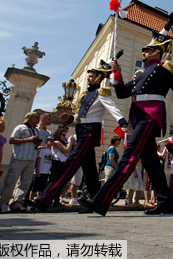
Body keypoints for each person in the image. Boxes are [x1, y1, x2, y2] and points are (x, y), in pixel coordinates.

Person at [81, 23, 173, 216]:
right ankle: (165, 202)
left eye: (147, 50)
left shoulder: (164, 70)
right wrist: (117, 73)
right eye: (143, 50)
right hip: (138, 117)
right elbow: (122, 92)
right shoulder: (140, 73)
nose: (143, 53)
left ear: (157, 52)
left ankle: (101, 200)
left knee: (129, 157)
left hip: (150, 115)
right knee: (151, 163)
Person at [29, 62, 129, 212]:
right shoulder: (86, 94)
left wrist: (122, 122)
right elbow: (80, 116)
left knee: (71, 163)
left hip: (90, 131)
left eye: (91, 76)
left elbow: (112, 108)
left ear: (99, 78)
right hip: (82, 129)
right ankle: (97, 202)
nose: (88, 78)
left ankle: (44, 199)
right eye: (88, 76)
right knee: (90, 170)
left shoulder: (102, 93)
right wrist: (70, 118)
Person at [0, 112, 41, 213]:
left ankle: (17, 202)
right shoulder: (20, 127)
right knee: (11, 181)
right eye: (36, 117)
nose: (38, 119)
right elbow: (12, 140)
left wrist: (37, 143)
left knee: (25, 183)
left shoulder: (35, 130)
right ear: (29, 117)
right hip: (19, 158)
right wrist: (28, 139)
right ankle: (3, 203)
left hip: (31, 159)